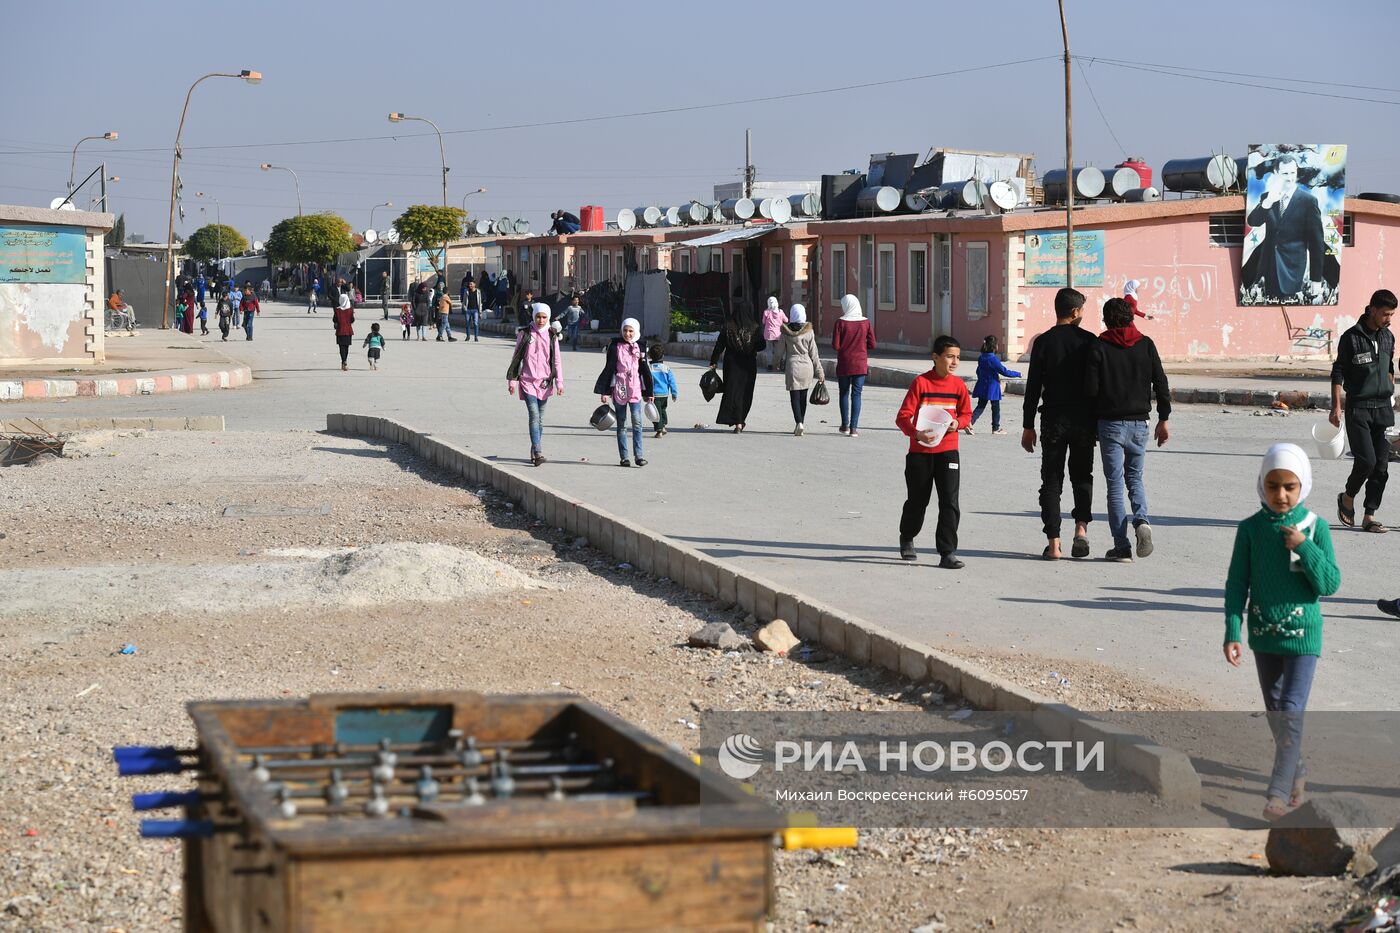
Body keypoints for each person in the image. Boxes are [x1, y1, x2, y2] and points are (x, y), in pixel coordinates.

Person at [1223, 443, 1340, 820]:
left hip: (1304, 637)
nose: (1281, 495)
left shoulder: (1314, 527)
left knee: (1290, 710)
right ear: (1262, 485)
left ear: (1302, 485)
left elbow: (1329, 584)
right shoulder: (1251, 530)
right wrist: (1232, 630)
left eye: (1290, 486)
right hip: (1264, 636)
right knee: (1276, 712)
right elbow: (1236, 584)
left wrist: (1304, 548)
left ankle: (1276, 793)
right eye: (1273, 486)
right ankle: (1298, 771)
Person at [1085, 297, 1172, 562]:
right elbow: (1161, 382)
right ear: (1132, 318)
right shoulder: (1146, 344)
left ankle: (1121, 546)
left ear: (1106, 319)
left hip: (1109, 424)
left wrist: (1090, 424)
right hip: (1140, 424)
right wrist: (1163, 418)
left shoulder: (1098, 346)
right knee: (1134, 478)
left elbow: (1090, 390)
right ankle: (1142, 521)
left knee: (1114, 485)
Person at [1022, 287, 1099, 560]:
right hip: (1083, 421)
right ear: (1076, 312)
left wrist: (1027, 424)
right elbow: (1096, 386)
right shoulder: (1090, 341)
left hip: (1053, 420)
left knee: (1051, 480)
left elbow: (1033, 387)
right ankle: (1081, 530)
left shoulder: (1043, 342)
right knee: (1082, 476)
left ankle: (1053, 544)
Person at [895, 335, 973, 569]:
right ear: (935, 357)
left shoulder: (958, 386)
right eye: (950, 356)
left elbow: (966, 414)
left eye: (958, 357)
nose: (954, 362)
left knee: (950, 502)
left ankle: (947, 552)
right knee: (918, 500)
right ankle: (907, 537)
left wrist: (957, 423)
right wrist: (916, 434)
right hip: (920, 452)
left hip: (948, 451)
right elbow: (902, 417)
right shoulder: (921, 384)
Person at [1330, 289, 1398, 532]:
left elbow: (1390, 365)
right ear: (1372, 309)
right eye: (1385, 314)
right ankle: (1348, 497)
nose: (1389, 319)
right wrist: (1336, 406)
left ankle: (1369, 516)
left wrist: (1389, 385)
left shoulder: (1388, 337)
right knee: (1366, 461)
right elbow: (1338, 372)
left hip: (1382, 410)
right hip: (1358, 408)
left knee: (1381, 466)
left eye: (1392, 314)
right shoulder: (1351, 338)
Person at [1245, 155, 1326, 303]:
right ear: (1276, 174)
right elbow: (1253, 221)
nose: (1289, 178)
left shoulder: (1308, 202)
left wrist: (1316, 279)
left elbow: (1317, 243)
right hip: (1267, 269)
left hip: (1292, 271)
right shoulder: (1267, 197)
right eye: (1285, 174)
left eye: (1292, 173)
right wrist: (1268, 202)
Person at [507, 303, 564, 467]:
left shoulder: (552, 335)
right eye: (538, 317)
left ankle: (534, 449)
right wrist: (512, 380)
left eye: (544, 317)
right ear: (534, 317)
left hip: (545, 383)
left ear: (548, 318)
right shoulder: (525, 333)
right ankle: (538, 450)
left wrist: (559, 382)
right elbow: (516, 358)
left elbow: (557, 361)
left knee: (540, 418)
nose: (540, 320)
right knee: (534, 414)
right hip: (527, 381)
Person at [594, 317, 653, 467]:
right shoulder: (615, 346)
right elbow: (609, 369)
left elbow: (645, 371)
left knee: (637, 422)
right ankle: (624, 457)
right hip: (619, 388)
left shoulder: (641, 346)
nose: (628, 333)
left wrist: (649, 392)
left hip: (635, 389)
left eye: (631, 331)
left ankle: (639, 456)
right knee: (621, 424)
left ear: (636, 331)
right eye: (625, 330)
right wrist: (605, 391)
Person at [708, 301, 765, 432]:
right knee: (746, 392)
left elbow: (719, 345)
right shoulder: (754, 327)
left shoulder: (728, 326)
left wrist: (713, 361)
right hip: (748, 365)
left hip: (731, 364)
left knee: (733, 392)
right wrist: (752, 346)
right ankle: (740, 421)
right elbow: (762, 345)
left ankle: (736, 420)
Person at [832, 294, 875, 436]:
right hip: (860, 363)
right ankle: (854, 428)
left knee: (844, 393)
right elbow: (872, 344)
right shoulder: (866, 322)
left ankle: (844, 425)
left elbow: (835, 345)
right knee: (857, 394)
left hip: (844, 363)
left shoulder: (840, 323)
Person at [780, 304, 825, 437]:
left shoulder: (785, 331)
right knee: (803, 397)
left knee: (794, 396)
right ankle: (802, 422)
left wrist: (776, 363)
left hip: (792, 365)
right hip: (807, 366)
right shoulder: (809, 331)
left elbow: (779, 351)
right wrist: (820, 372)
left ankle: (798, 422)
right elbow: (814, 354)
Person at [968, 335, 1021, 436]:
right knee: (995, 407)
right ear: (994, 346)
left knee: (981, 406)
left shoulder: (981, 357)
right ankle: (995, 428)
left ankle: (970, 422)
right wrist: (1017, 374)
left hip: (983, 385)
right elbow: (1004, 371)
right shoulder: (993, 359)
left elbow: (978, 371)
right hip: (992, 386)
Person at [647, 344, 677, 437]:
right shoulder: (666, 368)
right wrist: (674, 393)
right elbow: (672, 381)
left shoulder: (649, 368)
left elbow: (646, 382)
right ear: (663, 356)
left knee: (655, 413)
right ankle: (663, 425)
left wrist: (644, 393)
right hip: (664, 394)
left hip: (654, 395)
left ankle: (659, 430)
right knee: (663, 409)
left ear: (649, 356)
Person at [760, 296, 786, 371]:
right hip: (778, 334)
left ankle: (770, 365)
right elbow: (786, 320)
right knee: (779, 350)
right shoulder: (781, 312)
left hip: (769, 334)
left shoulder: (766, 312)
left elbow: (763, 322)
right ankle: (780, 364)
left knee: (769, 350)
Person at [333, 292, 355, 371]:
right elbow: (352, 320)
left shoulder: (337, 310)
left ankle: (343, 361)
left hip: (340, 331)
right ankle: (345, 361)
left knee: (341, 347)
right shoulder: (350, 310)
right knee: (346, 347)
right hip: (348, 331)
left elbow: (334, 320)